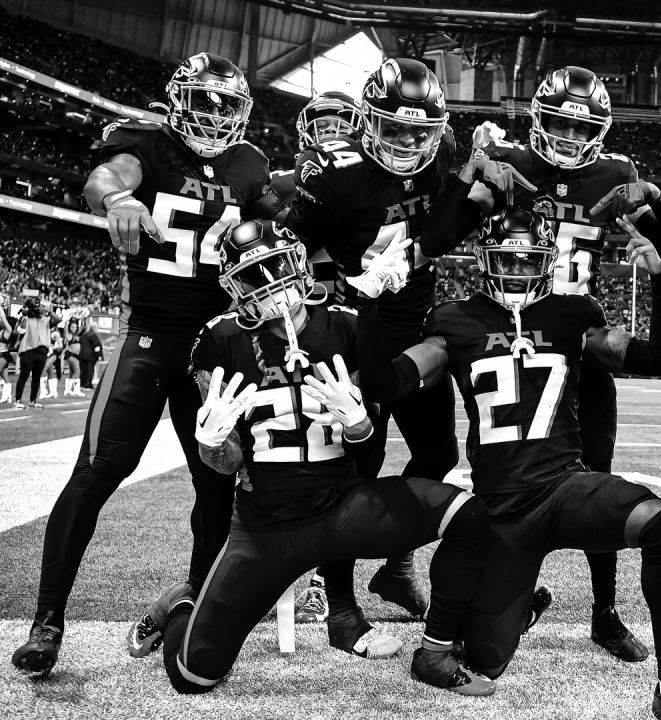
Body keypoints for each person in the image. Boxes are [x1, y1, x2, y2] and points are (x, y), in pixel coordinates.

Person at [368, 208, 661, 720]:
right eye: (505, 259)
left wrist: (660, 280)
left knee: (659, 524)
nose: (515, 271)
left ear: (547, 262)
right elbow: (391, 381)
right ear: (485, 259)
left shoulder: (573, 314)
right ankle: (511, 609)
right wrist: (375, 304)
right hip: (500, 510)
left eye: (528, 260)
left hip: (563, 487)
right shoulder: (454, 319)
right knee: (486, 659)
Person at [138, 220, 493, 696]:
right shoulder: (219, 339)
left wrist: (360, 424)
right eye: (255, 277)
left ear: (300, 264)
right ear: (236, 288)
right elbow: (226, 464)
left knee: (468, 515)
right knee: (193, 677)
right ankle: (180, 605)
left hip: (342, 507)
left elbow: (368, 451)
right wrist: (211, 442)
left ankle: (435, 651)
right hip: (266, 527)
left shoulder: (346, 325)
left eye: (278, 267)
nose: (273, 287)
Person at [11, 52, 278, 677]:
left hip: (214, 351)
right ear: (176, 100)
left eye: (225, 105)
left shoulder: (249, 164)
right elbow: (106, 177)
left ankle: (194, 608)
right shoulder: (146, 144)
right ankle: (48, 620)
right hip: (151, 338)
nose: (213, 117)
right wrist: (119, 199)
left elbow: (271, 221)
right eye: (202, 102)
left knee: (219, 487)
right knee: (99, 470)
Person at [420, 65, 661, 663]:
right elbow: (439, 238)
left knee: (596, 472)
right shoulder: (508, 161)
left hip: (580, 340)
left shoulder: (617, 176)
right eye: (560, 125)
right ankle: (509, 588)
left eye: (582, 128)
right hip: (511, 332)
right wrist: (470, 180)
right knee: (507, 473)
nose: (570, 139)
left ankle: (604, 613)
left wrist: (657, 201)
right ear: (538, 121)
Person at [280, 59, 462, 620]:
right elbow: (293, 252)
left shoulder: (445, 154)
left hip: (419, 329)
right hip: (356, 333)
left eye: (419, 131)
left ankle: (397, 565)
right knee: (358, 461)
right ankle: (335, 597)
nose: (408, 142)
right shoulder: (335, 173)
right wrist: (338, 299)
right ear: (368, 120)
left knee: (437, 455)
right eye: (396, 127)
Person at [267, 89, 366, 624]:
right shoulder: (286, 183)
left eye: (340, 121)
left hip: (350, 337)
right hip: (294, 341)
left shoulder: (373, 183)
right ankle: (282, 575)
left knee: (351, 466)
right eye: (321, 122)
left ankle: (333, 584)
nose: (331, 130)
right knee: (291, 465)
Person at [13, 296, 60, 410]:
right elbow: (18, 332)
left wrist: (48, 311)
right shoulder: (26, 319)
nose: (39, 309)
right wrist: (24, 315)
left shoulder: (45, 319)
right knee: (23, 376)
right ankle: (17, 400)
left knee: (37, 377)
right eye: (36, 307)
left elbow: (58, 319)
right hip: (28, 350)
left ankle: (32, 401)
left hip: (42, 351)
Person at [76, 316, 103, 391]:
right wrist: (99, 355)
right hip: (90, 356)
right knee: (89, 370)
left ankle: (82, 384)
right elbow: (96, 346)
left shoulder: (84, 335)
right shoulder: (93, 335)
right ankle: (87, 384)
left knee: (83, 370)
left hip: (82, 355)